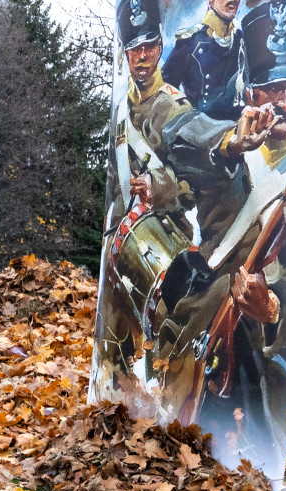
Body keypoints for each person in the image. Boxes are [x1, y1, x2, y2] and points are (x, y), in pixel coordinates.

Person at [156, 0, 286, 491]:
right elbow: (177, 138)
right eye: (271, 89)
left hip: (251, 341)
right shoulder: (228, 144)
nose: (283, 101)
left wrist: (274, 308)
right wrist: (232, 141)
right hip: (195, 316)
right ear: (251, 91)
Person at [94, 0, 197, 392]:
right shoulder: (119, 114)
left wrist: (159, 187)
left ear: (160, 48)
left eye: (150, 46)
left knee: (170, 340)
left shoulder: (176, 107)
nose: (142, 56)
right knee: (111, 341)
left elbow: (196, 184)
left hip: (169, 240)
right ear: (126, 53)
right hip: (123, 247)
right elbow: (112, 186)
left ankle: (171, 413)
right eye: (134, 48)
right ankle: (117, 405)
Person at [163, 0, 244, 117]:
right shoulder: (190, 43)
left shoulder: (241, 40)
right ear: (211, 1)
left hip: (238, 123)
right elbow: (166, 87)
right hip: (199, 125)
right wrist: (183, 110)